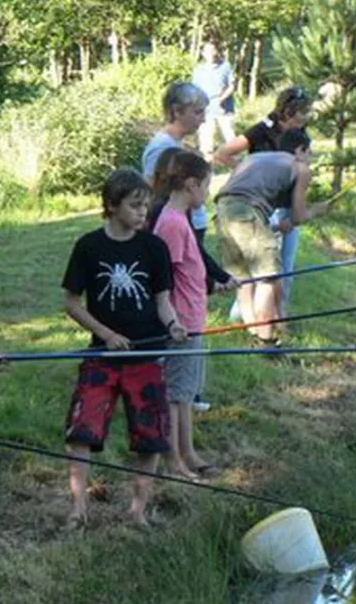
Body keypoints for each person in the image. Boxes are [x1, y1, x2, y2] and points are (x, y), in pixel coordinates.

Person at [62, 168, 187, 528]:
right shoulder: (88, 246)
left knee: (150, 437)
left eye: (146, 206)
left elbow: (163, 301)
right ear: (112, 205)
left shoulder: (154, 247)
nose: (142, 213)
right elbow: (72, 303)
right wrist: (106, 334)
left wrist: (173, 325)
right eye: (135, 205)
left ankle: (138, 511)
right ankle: (77, 508)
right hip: (102, 354)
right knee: (81, 431)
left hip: (147, 355)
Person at [215, 129, 328, 346]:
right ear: (300, 150)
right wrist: (317, 210)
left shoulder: (257, 159)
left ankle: (251, 332)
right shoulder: (300, 168)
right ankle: (265, 339)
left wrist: (278, 225)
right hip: (247, 213)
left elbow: (249, 199)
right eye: (309, 152)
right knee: (268, 277)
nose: (310, 157)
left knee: (243, 279)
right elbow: (299, 214)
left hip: (222, 210)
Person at [215, 86, 320, 319]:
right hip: (258, 203)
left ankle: (279, 315)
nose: (305, 117)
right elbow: (222, 152)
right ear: (287, 111)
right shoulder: (262, 130)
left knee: (284, 265)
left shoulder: (303, 136)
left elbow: (302, 171)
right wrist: (245, 169)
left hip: (287, 203)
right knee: (257, 264)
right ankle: (243, 315)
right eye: (302, 112)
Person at [150, 151, 223, 480]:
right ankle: (174, 460)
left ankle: (188, 454)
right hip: (181, 322)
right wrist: (173, 321)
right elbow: (161, 278)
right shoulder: (172, 224)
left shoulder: (180, 220)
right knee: (176, 395)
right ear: (191, 185)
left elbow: (188, 270)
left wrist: (209, 284)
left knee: (185, 393)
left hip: (193, 317)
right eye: (206, 187)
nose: (207, 194)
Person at [191, 42, 236, 158]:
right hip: (206, 110)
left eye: (213, 50)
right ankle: (207, 167)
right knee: (206, 142)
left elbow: (231, 86)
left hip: (224, 109)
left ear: (216, 51)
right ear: (203, 54)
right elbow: (195, 90)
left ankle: (237, 165)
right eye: (208, 51)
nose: (211, 54)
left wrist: (222, 98)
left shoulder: (225, 66)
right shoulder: (199, 70)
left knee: (230, 138)